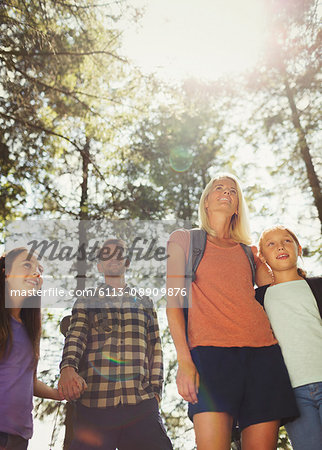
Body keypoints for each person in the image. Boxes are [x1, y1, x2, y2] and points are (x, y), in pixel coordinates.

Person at [166, 174, 298, 450]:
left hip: (264, 357)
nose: (226, 192)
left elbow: (279, 292)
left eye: (233, 191)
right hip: (210, 356)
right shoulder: (184, 240)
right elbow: (174, 302)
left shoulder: (249, 253)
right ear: (206, 201)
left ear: (237, 206)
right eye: (219, 188)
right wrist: (184, 360)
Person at [58, 238, 173, 450]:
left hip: (140, 404)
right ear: (100, 265)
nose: (113, 258)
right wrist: (67, 367)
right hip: (95, 403)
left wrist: (156, 392)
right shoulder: (87, 299)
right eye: (106, 254)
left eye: (118, 253)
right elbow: (76, 335)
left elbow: (155, 349)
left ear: (127, 262)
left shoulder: (145, 302)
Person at [256, 225, 322, 450]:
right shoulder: (260, 298)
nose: (280, 246)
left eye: (286, 241)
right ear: (262, 256)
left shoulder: (317, 286)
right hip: (293, 395)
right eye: (270, 244)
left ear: (299, 249)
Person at [0, 247, 63, 450]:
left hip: (20, 437)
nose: (36, 272)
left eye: (39, 269)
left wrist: (58, 394)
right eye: (27, 265)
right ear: (6, 273)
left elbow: (29, 381)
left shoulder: (29, 330)